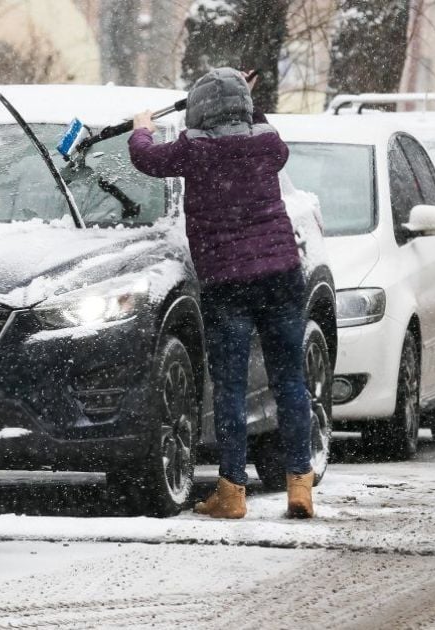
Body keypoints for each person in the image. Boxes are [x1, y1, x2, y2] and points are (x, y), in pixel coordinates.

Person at [128, 67, 315, 519]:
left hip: (227, 281)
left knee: (230, 385)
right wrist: (245, 101)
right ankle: (300, 486)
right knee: (290, 380)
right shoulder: (268, 145)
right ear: (246, 109)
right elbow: (264, 127)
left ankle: (232, 491)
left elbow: (147, 161)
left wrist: (140, 131)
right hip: (280, 274)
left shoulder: (194, 151)